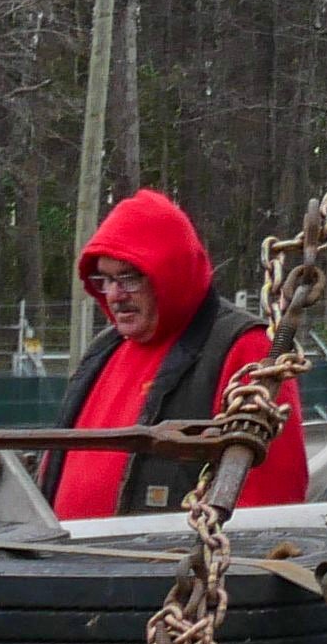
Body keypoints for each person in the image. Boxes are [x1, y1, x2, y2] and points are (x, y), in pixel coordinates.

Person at [48, 191, 301, 516]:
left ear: (169, 274)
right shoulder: (104, 350)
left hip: (173, 564)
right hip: (72, 562)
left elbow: (272, 503)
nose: (114, 295)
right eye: (105, 279)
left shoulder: (245, 348)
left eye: (128, 277)